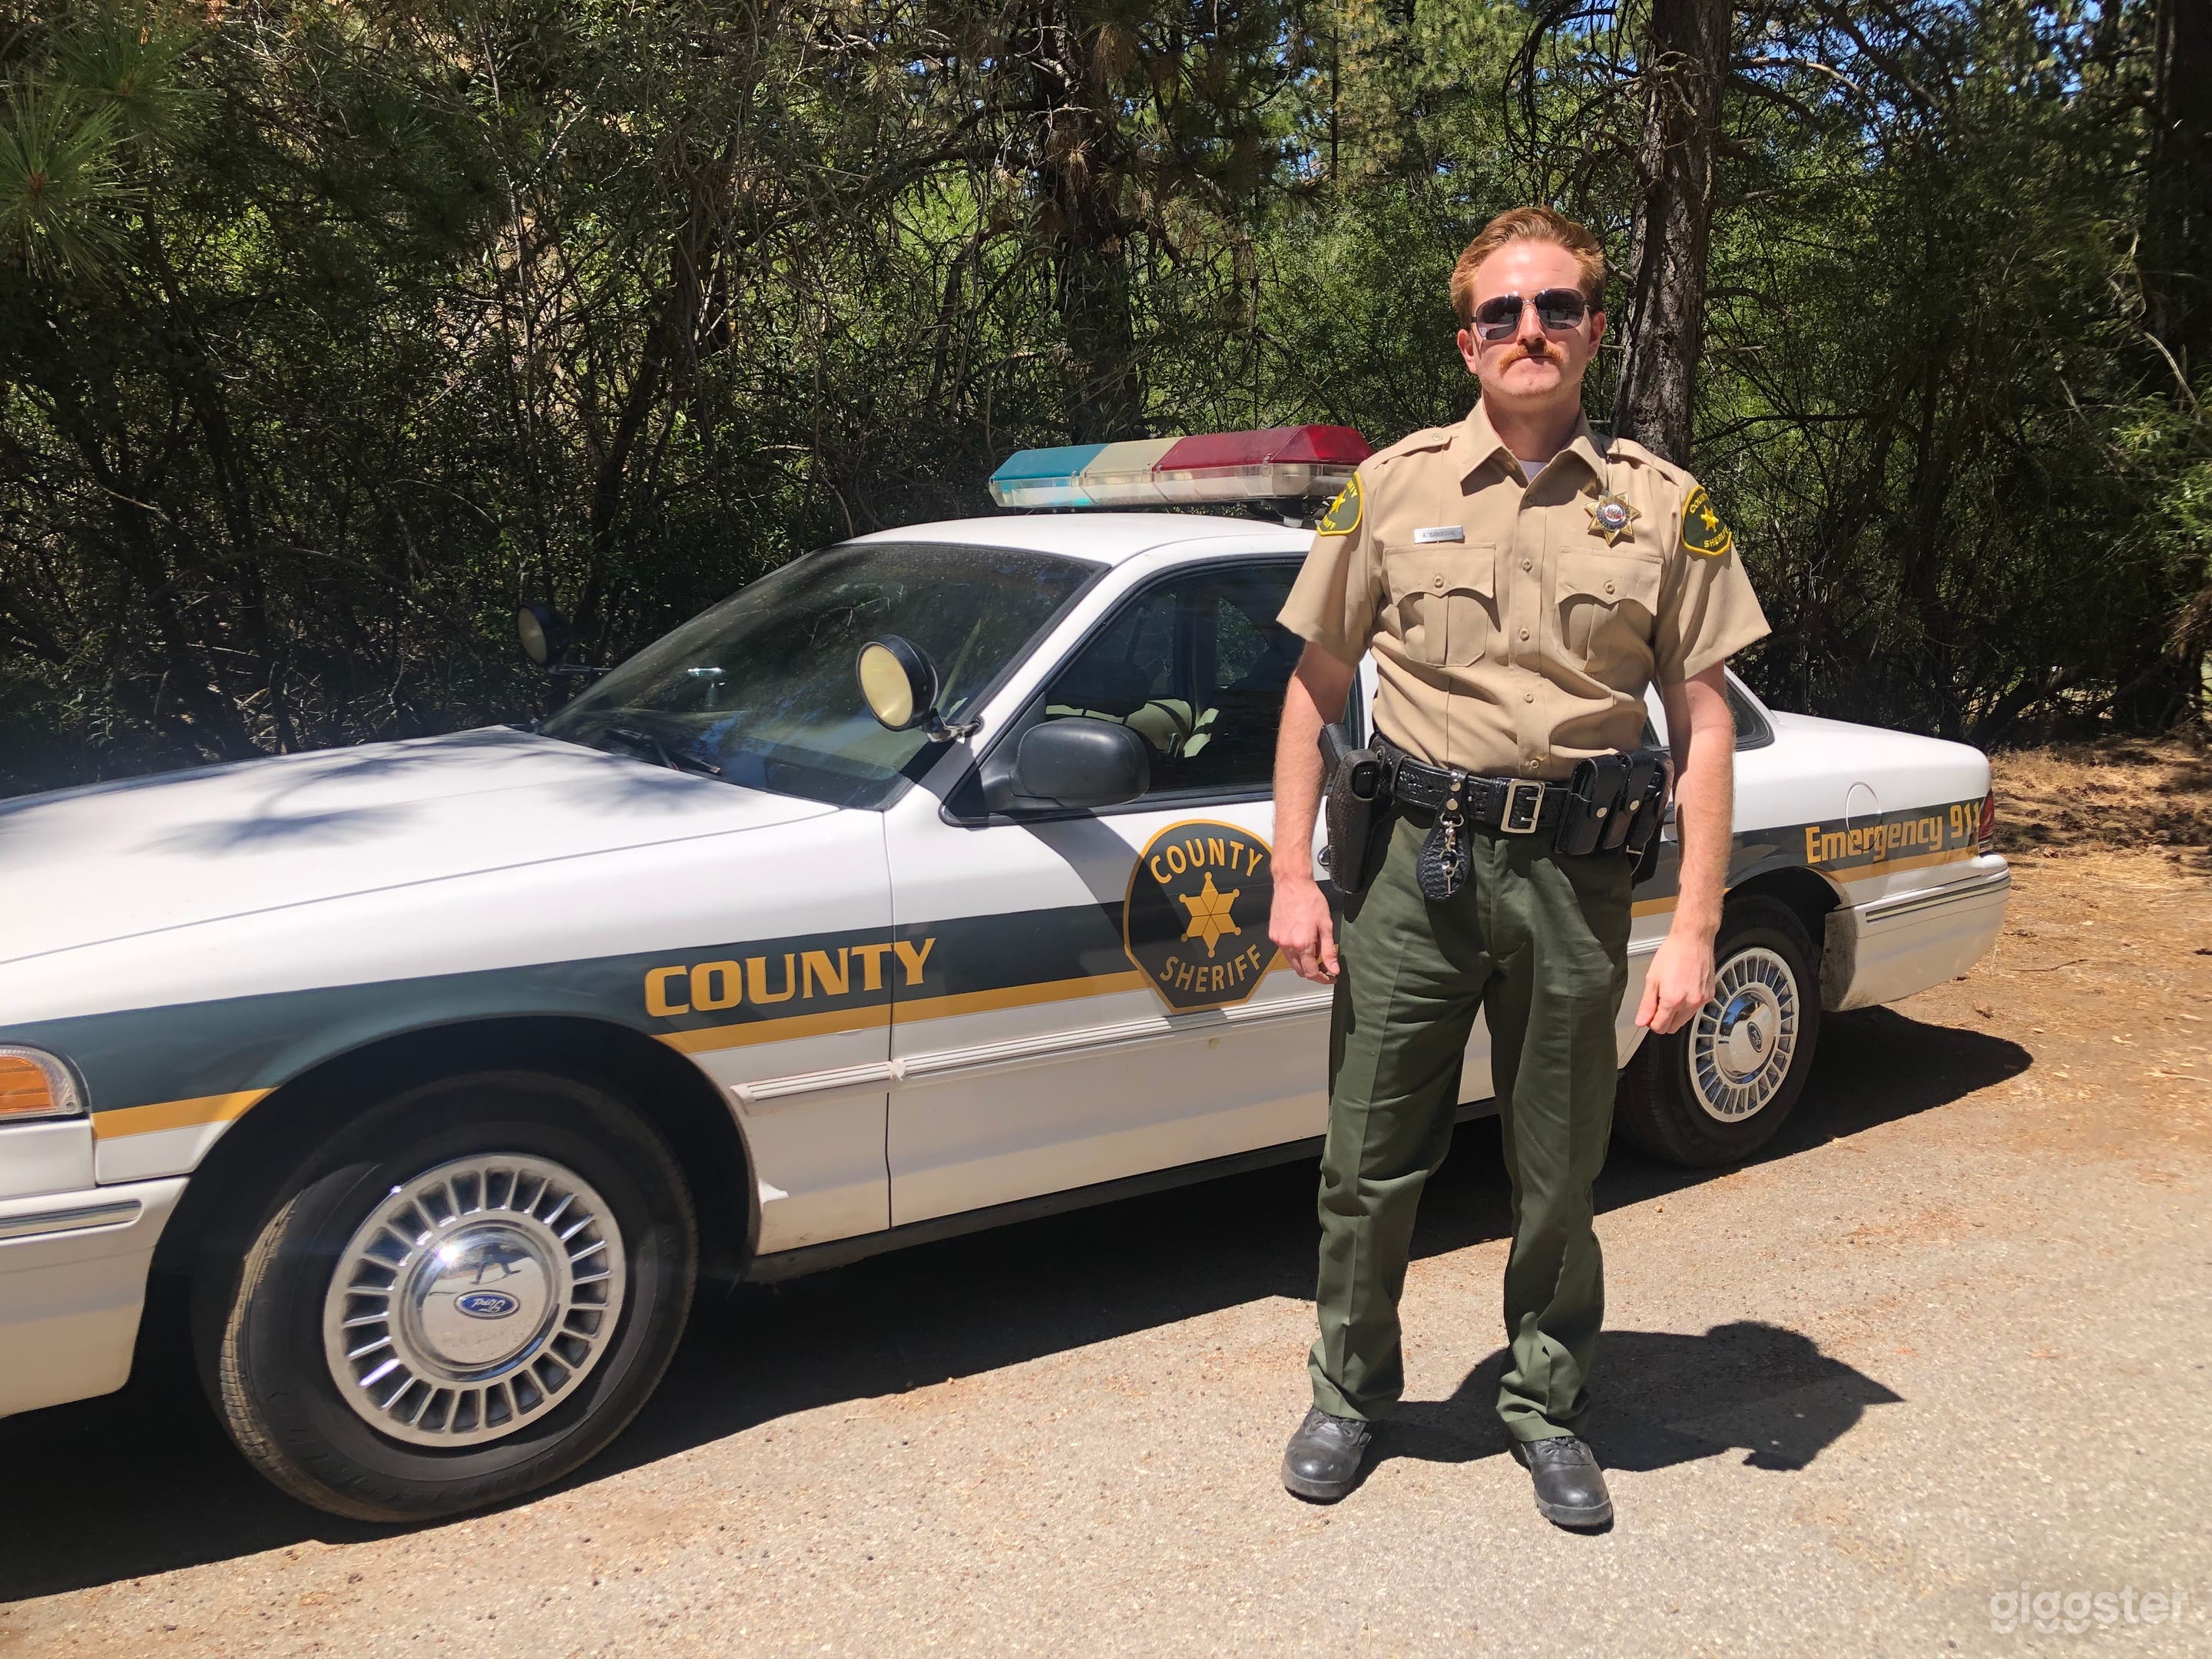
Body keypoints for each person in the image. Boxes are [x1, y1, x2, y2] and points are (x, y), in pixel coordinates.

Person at [1267, 206, 1768, 1528]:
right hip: (1408, 880)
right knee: (1369, 1161)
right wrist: (1292, 874)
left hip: (1573, 882)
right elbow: (1317, 687)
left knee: (1559, 1167)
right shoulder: (1390, 487)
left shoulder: (1663, 507)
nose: (1529, 331)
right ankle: (1349, 1392)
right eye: (1503, 313)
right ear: (1467, 340)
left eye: (1555, 309)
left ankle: (1546, 1405)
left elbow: (1703, 724)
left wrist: (1696, 928)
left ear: (1594, 331)